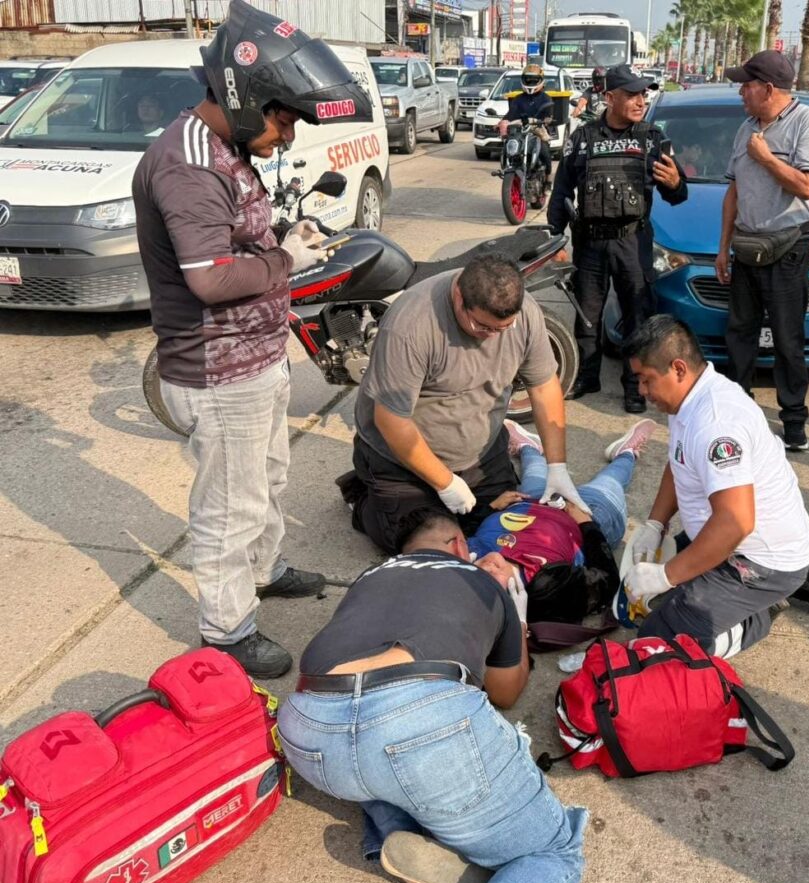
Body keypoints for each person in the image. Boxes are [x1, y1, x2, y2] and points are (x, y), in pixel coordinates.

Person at [132, 0, 373, 678]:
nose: (287, 135)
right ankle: (226, 630)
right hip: (217, 370)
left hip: (257, 356)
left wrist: (278, 243)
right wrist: (285, 261)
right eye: (284, 117)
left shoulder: (226, 150)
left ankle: (265, 570)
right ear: (247, 98)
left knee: (268, 478)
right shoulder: (187, 164)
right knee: (228, 509)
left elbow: (240, 241)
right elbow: (209, 279)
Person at [277, 515, 587, 883]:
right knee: (553, 851)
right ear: (460, 545)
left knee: (378, 759)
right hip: (417, 726)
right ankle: (457, 838)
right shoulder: (483, 585)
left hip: (308, 732)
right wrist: (515, 615)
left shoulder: (371, 577)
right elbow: (505, 692)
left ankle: (397, 825)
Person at [620, 316, 809, 659]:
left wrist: (667, 575)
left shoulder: (717, 423)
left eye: (646, 380)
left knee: (658, 643)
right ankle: (765, 588)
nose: (642, 390)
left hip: (756, 558)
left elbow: (734, 522)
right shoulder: (687, 399)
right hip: (728, 536)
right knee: (637, 595)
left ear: (679, 369)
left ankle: (759, 614)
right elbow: (679, 460)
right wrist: (656, 524)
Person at [339, 254, 588, 555]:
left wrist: (557, 466)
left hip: (481, 454)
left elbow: (543, 386)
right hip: (403, 462)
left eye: (503, 328)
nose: (492, 336)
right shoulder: (411, 326)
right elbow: (392, 421)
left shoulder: (524, 316)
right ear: (459, 296)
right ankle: (366, 498)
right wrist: (445, 483)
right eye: (483, 326)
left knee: (504, 533)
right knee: (431, 545)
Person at [549, 63, 687, 414]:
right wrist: (553, 242)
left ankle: (634, 386)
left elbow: (677, 194)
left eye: (644, 94)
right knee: (587, 315)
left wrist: (675, 183)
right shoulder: (582, 138)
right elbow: (562, 189)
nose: (641, 100)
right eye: (632, 94)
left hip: (633, 241)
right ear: (609, 97)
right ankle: (587, 376)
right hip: (590, 243)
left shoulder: (653, 138)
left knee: (638, 316)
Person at [716, 50, 809, 452]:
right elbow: (733, 191)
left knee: (786, 337)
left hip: (789, 246)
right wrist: (722, 247)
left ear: (767, 88)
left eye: (745, 85)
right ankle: (736, 410)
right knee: (739, 333)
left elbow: (808, 187)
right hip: (747, 245)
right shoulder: (745, 127)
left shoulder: (808, 123)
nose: (740, 92)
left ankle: (794, 421)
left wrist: (765, 158)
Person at [466, 418, 657, 624]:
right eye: (492, 586)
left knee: (535, 469)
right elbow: (605, 581)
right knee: (611, 479)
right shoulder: (546, 590)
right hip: (590, 513)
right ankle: (626, 454)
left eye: (475, 580)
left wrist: (490, 508)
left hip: (529, 501)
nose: (486, 568)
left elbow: (466, 526)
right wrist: (586, 524)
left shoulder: (468, 556)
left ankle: (528, 447)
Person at [498, 63, 553, 179]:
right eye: (528, 79)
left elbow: (549, 115)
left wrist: (547, 120)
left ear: (541, 81)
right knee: (509, 147)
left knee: (545, 152)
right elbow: (511, 114)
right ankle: (508, 168)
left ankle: (548, 179)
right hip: (520, 132)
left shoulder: (546, 98)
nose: (530, 82)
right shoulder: (518, 99)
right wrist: (502, 122)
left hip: (538, 132)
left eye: (534, 80)